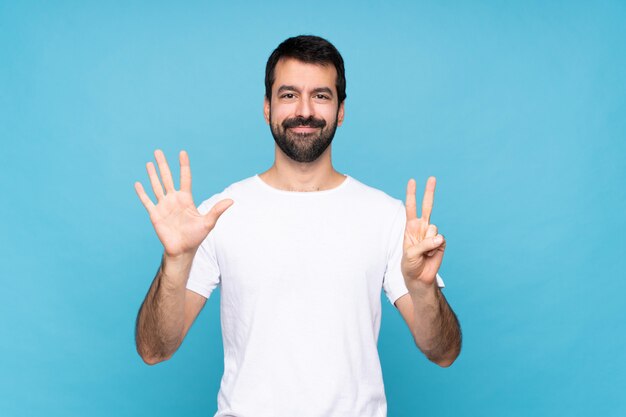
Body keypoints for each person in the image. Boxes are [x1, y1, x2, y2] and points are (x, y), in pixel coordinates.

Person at [134, 35, 461, 417]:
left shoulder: (386, 217)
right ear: (267, 107)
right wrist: (175, 261)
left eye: (321, 96)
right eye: (289, 95)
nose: (304, 110)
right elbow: (155, 349)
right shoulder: (217, 215)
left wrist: (422, 289)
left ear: (340, 110)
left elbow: (443, 353)